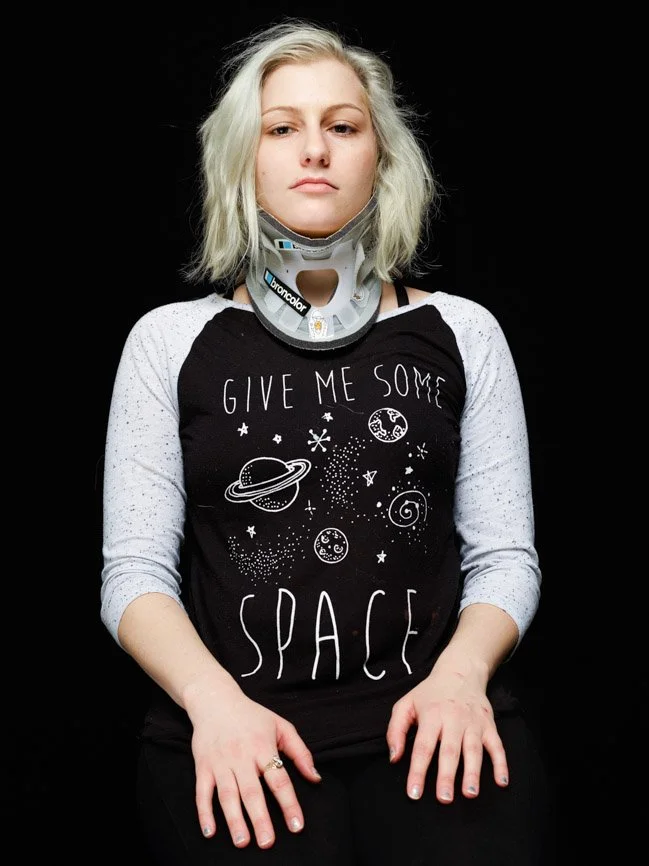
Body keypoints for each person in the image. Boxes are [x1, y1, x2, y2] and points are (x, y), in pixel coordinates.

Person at [101, 18, 551, 865]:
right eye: (282, 128)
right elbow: (132, 573)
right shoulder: (165, 341)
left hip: (437, 727)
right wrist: (214, 707)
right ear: (244, 158)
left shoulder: (463, 331)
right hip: (235, 735)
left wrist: (460, 680)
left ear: (380, 158)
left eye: (342, 126)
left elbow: (504, 556)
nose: (315, 149)